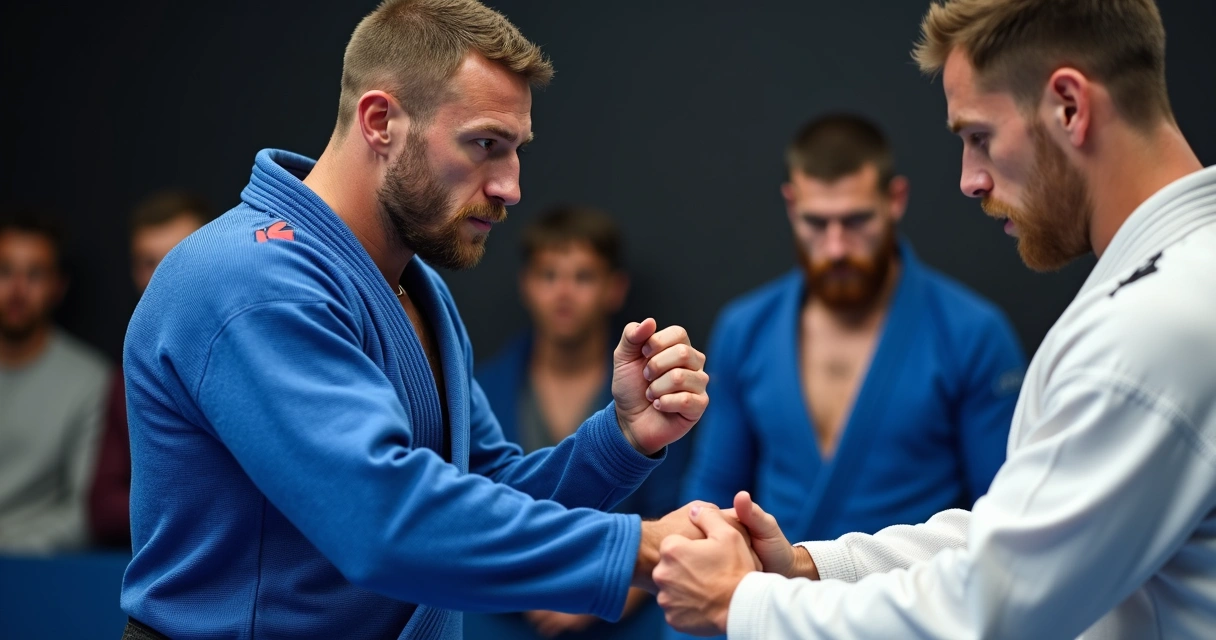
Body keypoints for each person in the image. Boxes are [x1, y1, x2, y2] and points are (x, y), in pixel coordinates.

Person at [120, 2, 712, 639]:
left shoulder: (411, 283)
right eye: (485, 144)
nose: (511, 186)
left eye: (516, 151)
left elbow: (485, 495)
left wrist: (620, 439)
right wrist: (642, 549)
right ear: (381, 122)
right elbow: (383, 522)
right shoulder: (253, 280)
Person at [652, 1, 1216, 638]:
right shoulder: (1169, 292)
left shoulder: (1154, 326)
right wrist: (810, 566)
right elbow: (1011, 533)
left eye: (979, 137)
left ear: (1069, 107)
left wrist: (744, 605)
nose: (971, 180)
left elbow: (992, 605)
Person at [678, 114, 1022, 567]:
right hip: (773, 617)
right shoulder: (744, 330)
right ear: (790, 205)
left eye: (856, 220)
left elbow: (1005, 522)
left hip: (910, 615)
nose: (836, 247)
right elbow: (708, 503)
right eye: (816, 223)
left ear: (895, 200)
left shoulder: (973, 334)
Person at [467, 205, 690, 640]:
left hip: (623, 610)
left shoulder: (657, 395)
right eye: (549, 275)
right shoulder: (480, 391)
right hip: (501, 615)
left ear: (614, 287)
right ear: (527, 285)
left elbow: (675, 509)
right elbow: (467, 508)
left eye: (583, 277)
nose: (563, 293)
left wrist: (611, 588)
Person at [89, 191, 213, 549]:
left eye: (177, 255)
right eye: (148, 261)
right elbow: (102, 509)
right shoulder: (129, 370)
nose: (161, 274)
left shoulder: (252, 349)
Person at [0, 209, 110, 554]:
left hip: (31, 569)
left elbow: (82, 512)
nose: (17, 290)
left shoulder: (90, 381)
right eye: (4, 272)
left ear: (57, 287)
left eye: (34, 274)